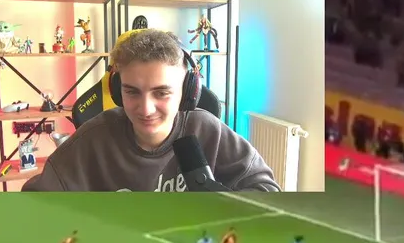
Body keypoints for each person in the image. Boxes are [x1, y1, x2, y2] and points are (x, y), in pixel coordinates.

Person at [22, 29, 280, 191]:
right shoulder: (93, 140)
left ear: (187, 92)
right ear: (117, 91)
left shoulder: (207, 131)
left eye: (161, 92)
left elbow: (265, 189)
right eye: (132, 92)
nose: (145, 109)